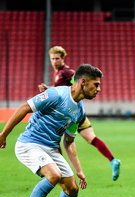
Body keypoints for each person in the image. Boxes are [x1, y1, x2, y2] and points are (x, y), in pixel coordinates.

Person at [0, 64, 102, 197]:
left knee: (73, 189)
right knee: (54, 174)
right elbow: (24, 108)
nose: (99, 89)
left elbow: (68, 141)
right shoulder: (57, 94)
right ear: (84, 82)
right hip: (29, 144)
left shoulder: (80, 111)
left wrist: (79, 170)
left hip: (51, 149)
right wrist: (3, 135)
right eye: (96, 84)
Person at [39, 46, 121, 181]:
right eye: (52, 59)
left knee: (56, 136)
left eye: (57, 59)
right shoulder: (60, 74)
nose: (54, 61)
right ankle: (112, 160)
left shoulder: (66, 72)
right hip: (78, 111)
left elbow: (76, 83)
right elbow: (65, 88)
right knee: (91, 139)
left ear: (63, 58)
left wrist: (49, 89)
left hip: (69, 113)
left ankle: (57, 169)